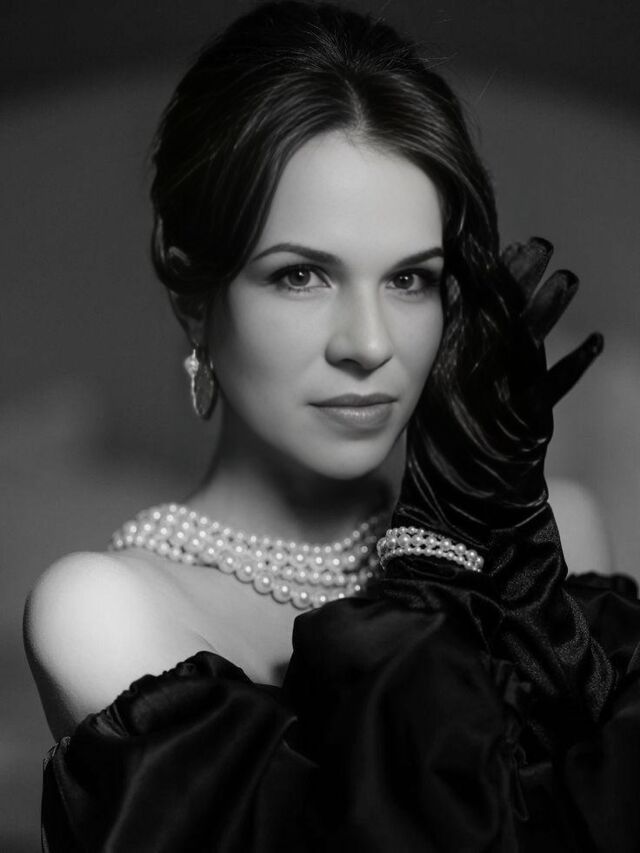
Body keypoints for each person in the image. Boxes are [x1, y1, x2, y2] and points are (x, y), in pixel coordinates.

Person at [23, 2, 640, 850]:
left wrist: (494, 556)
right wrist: (439, 559)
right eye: (301, 275)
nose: (370, 344)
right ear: (194, 295)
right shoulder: (105, 611)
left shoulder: (551, 531)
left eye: (411, 280)